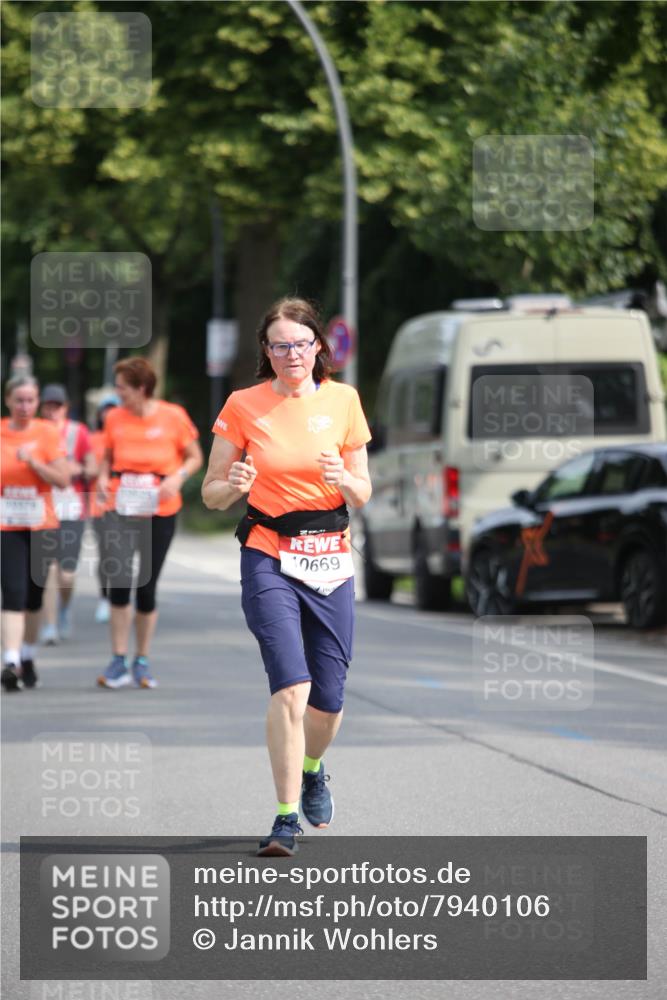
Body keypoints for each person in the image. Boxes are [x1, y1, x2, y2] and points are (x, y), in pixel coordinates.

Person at [202, 297, 372, 856]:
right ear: (266, 351)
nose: (291, 354)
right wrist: (235, 484)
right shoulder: (243, 405)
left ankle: (313, 768)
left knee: (329, 699)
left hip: (329, 556)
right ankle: (284, 817)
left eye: (300, 344)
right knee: (290, 687)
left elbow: (363, 492)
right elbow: (210, 493)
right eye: (280, 345)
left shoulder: (344, 400)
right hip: (269, 553)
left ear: (318, 347)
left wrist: (343, 478)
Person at [96, 358, 203, 690]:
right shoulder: (114, 417)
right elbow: (106, 458)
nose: (118, 394)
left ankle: (141, 659)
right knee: (118, 581)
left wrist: (177, 477)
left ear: (141, 388)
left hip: (160, 508)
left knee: (146, 586)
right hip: (121, 506)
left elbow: (195, 456)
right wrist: (101, 478)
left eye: (122, 388)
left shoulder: (173, 416)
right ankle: (118, 660)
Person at [1, 375, 70, 691]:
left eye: (30, 400)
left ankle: (27, 655)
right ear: (8, 401)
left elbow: (63, 479)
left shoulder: (47, 433)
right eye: (19, 400)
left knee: (34, 597)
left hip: (42, 526)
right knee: (13, 593)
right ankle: (11, 661)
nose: (24, 406)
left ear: (37, 402)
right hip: (7, 525)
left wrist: (34, 463)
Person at [38, 384, 91, 643]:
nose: (52, 411)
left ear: (65, 408)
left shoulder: (77, 432)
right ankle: (49, 626)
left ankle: (64, 608)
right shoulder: (35, 431)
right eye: (48, 405)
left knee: (66, 573)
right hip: (42, 508)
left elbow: (92, 467)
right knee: (49, 569)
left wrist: (77, 468)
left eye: (57, 406)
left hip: (71, 508)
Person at [85, 394, 119, 624]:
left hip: (126, 505)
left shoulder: (127, 437)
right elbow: (87, 470)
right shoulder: (92, 439)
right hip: (99, 506)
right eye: (105, 409)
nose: (108, 413)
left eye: (113, 409)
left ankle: (120, 595)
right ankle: (105, 597)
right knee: (107, 553)